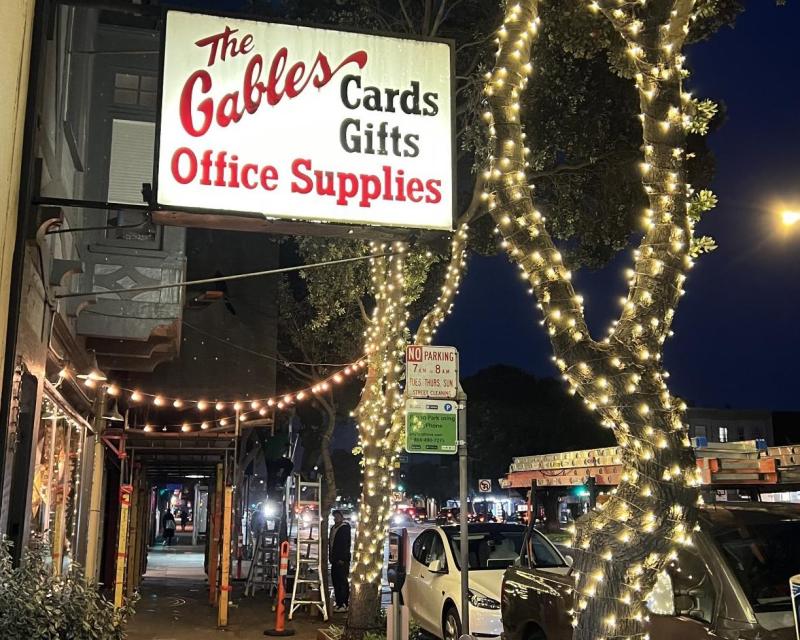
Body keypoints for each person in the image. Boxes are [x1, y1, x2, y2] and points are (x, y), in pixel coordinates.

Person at [329, 510, 351, 612]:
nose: (336, 518)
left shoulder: (345, 528)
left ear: (341, 517)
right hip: (334, 559)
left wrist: (343, 558)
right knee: (335, 581)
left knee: (342, 581)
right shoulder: (333, 528)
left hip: (342, 559)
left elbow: (345, 544)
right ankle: (338, 602)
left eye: (338, 516)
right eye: (335, 516)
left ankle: (344, 603)